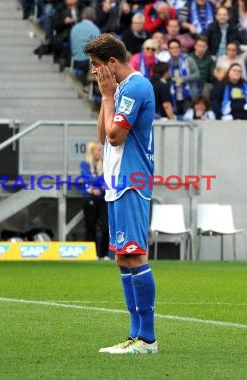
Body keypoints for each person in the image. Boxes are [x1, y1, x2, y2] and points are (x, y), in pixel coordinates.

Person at [85, 33, 157, 355]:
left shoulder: (137, 87)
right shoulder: (117, 91)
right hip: (116, 181)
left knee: (135, 254)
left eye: (97, 66)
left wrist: (108, 93)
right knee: (122, 257)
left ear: (112, 62)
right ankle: (134, 335)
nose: (94, 72)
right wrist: (105, 96)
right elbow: (102, 135)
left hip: (132, 180)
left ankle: (147, 339)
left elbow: (114, 137)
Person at [79, 141, 109, 260]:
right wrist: (94, 185)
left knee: (106, 227)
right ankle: (92, 254)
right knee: (91, 227)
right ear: (92, 152)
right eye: (98, 150)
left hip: (103, 198)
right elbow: (86, 177)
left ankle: (105, 254)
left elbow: (104, 179)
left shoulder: (105, 164)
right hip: (90, 198)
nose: (101, 152)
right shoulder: (84, 164)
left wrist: (93, 185)